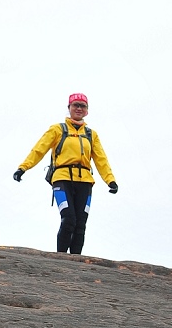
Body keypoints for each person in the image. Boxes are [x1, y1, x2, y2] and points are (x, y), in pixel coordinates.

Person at [13, 93, 118, 255]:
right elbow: (39, 149)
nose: (78, 108)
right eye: (75, 105)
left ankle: (76, 261)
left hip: (85, 181)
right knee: (69, 219)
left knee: (80, 224)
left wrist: (110, 180)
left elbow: (101, 159)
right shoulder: (57, 129)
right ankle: (60, 258)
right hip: (61, 180)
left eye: (82, 106)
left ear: (87, 111)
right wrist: (23, 168)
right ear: (69, 108)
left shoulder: (91, 134)